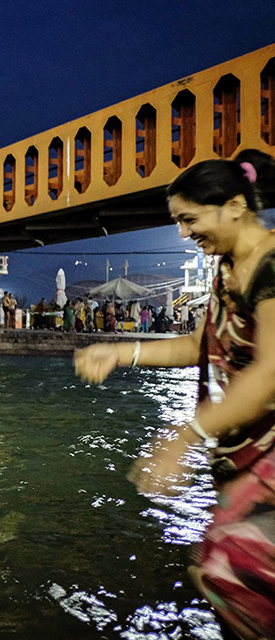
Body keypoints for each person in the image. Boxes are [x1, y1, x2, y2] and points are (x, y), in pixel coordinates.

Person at [73, 150, 275, 638]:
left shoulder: (270, 267)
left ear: (233, 206)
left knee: (235, 576)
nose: (183, 233)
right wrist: (123, 353)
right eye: (178, 222)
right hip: (242, 460)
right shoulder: (227, 269)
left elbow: (271, 370)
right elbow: (197, 345)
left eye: (189, 219)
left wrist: (186, 435)